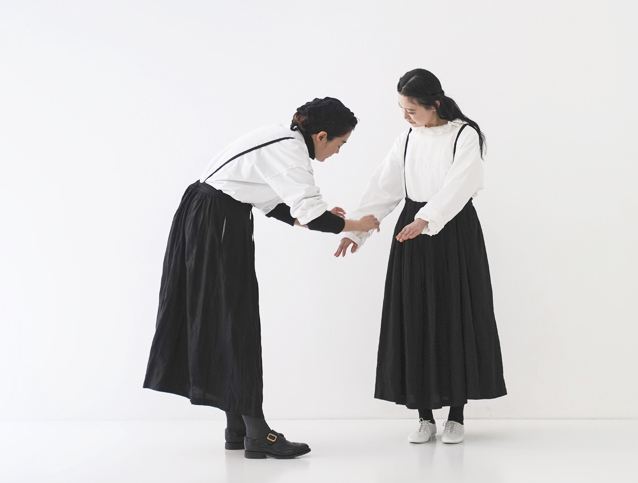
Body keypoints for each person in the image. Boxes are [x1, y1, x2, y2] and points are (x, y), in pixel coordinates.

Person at [144, 97, 379, 459]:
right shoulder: (291, 153)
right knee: (236, 324)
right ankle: (257, 433)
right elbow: (313, 217)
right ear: (321, 136)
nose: (337, 152)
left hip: (210, 216)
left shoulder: (281, 138)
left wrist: (323, 218)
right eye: (340, 144)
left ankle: (238, 427)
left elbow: (274, 205)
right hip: (218, 222)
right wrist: (355, 224)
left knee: (226, 321)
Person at [335, 69, 506, 444]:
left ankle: (456, 416)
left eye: (411, 109)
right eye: (401, 108)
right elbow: (384, 187)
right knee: (415, 315)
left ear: (435, 104)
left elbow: (463, 183)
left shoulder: (464, 134)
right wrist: (357, 231)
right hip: (412, 231)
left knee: (454, 314)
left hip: (453, 230)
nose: (405, 116)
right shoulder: (407, 138)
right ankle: (424, 416)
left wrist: (428, 218)